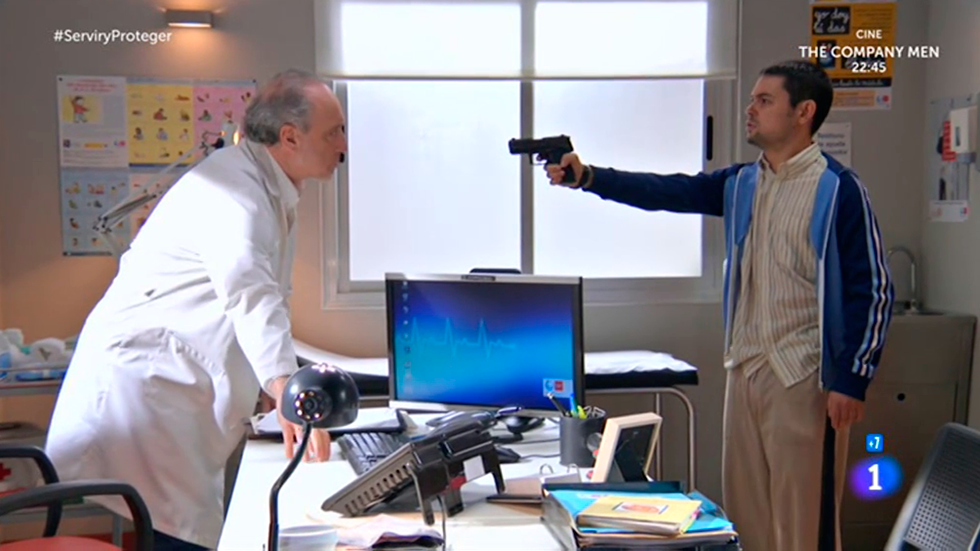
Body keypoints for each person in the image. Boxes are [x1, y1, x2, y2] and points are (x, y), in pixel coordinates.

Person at [544, 60, 894, 551]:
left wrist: (852, 379)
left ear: (804, 112)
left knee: (803, 522)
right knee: (746, 518)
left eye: (764, 100)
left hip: (805, 377)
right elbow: (669, 191)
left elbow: (872, 288)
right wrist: (590, 177)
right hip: (745, 370)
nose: (750, 109)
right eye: (751, 99)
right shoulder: (744, 183)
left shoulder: (838, 189)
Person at [45, 68, 348, 550]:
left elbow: (265, 296)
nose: (343, 146)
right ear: (291, 137)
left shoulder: (265, 186)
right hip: (148, 391)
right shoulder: (235, 193)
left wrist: (269, 382)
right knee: (180, 533)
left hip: (168, 390)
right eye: (334, 132)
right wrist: (284, 385)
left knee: (184, 526)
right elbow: (249, 292)